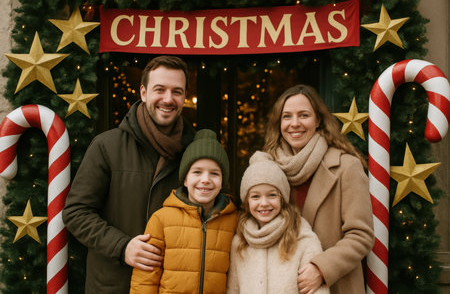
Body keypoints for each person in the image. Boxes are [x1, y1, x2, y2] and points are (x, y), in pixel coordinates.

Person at [62, 55, 196, 293]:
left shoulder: (194, 151)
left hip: (171, 286)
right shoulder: (107, 146)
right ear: (143, 93)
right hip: (114, 285)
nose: (168, 99)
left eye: (177, 91)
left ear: (185, 96)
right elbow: (76, 212)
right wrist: (122, 247)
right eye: (160, 89)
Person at [262, 84, 374, 294]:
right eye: (287, 116)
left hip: (334, 285)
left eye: (303, 115)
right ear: (279, 123)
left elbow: (361, 235)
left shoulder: (346, 166)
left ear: (318, 120)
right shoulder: (269, 168)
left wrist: (321, 268)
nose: (294, 124)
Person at [130, 129, 237, 293]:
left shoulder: (234, 220)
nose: (205, 180)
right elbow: (145, 280)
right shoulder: (161, 219)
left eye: (214, 173)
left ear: (222, 181)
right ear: (185, 179)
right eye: (197, 172)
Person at [226, 151, 329, 294]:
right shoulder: (239, 242)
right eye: (255, 196)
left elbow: (316, 291)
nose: (264, 203)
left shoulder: (303, 239)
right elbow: (233, 289)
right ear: (246, 202)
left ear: (282, 198)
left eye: (272, 195)